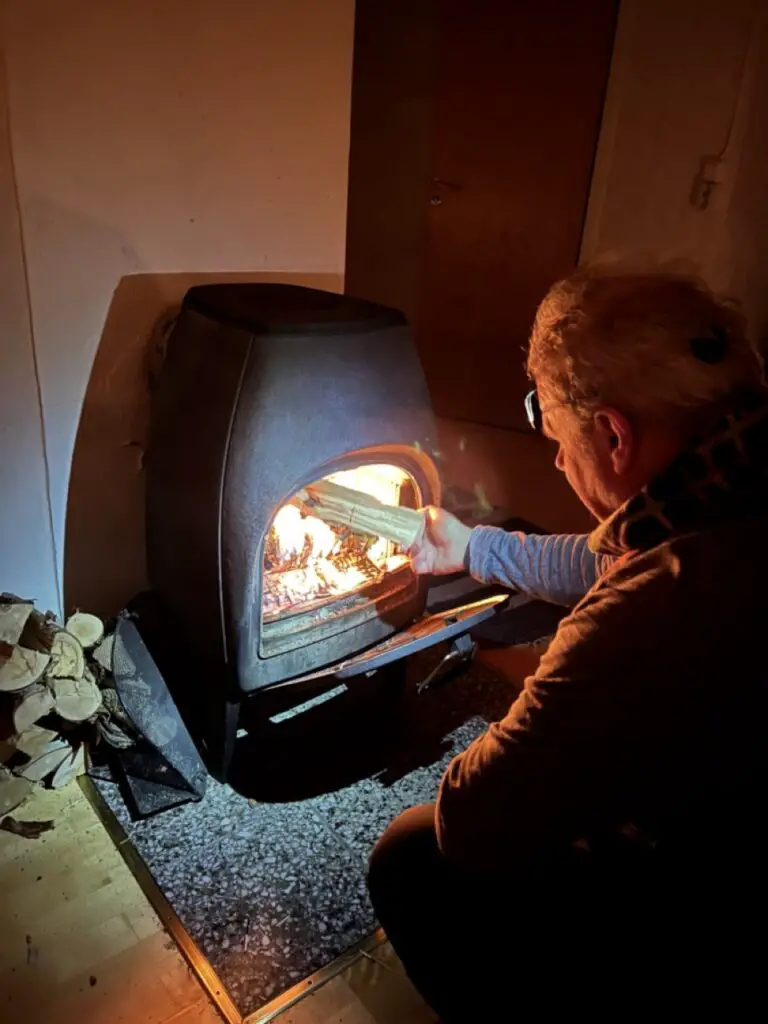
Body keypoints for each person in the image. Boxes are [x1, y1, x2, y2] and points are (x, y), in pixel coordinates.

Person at [367, 268, 767, 1020]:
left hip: (710, 902)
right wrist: (474, 547)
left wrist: (540, 709)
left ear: (613, 436)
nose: (553, 460)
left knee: (409, 855)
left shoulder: (644, 614)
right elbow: (611, 557)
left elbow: (474, 821)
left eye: (556, 436)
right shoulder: (730, 483)